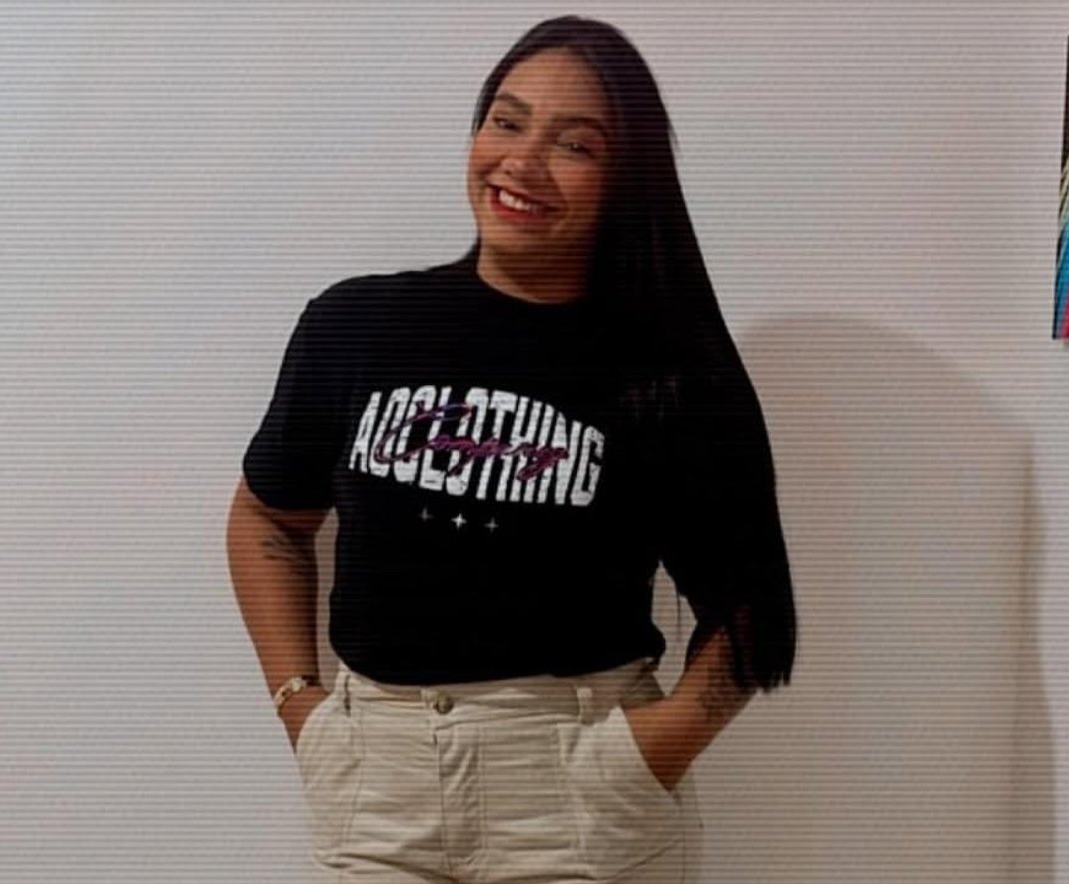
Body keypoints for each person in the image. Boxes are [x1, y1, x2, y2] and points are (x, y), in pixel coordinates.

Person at [226, 14, 796, 884]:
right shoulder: (357, 324)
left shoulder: (668, 371)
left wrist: (643, 756)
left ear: (626, 180)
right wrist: (299, 707)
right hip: (376, 789)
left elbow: (751, 607)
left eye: (575, 145)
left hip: (580, 801)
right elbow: (268, 517)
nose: (522, 163)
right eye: (507, 121)